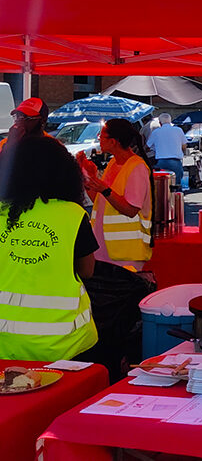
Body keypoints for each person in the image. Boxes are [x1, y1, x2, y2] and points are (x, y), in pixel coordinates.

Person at [0, 135, 99, 361]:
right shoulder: (72, 215)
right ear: (63, 172)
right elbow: (87, 271)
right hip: (65, 344)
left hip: (3, 344)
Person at [84, 119, 154, 270]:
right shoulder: (113, 163)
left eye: (101, 136)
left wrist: (104, 189)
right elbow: (100, 201)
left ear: (113, 141)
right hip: (103, 248)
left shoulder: (137, 167)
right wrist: (88, 178)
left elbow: (131, 210)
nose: (98, 139)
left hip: (126, 252)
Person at [147, 112, 187, 187]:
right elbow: (184, 146)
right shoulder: (178, 130)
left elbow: (147, 147)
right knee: (176, 185)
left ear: (160, 123)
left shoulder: (156, 132)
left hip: (161, 161)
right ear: (170, 121)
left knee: (162, 185)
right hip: (176, 161)